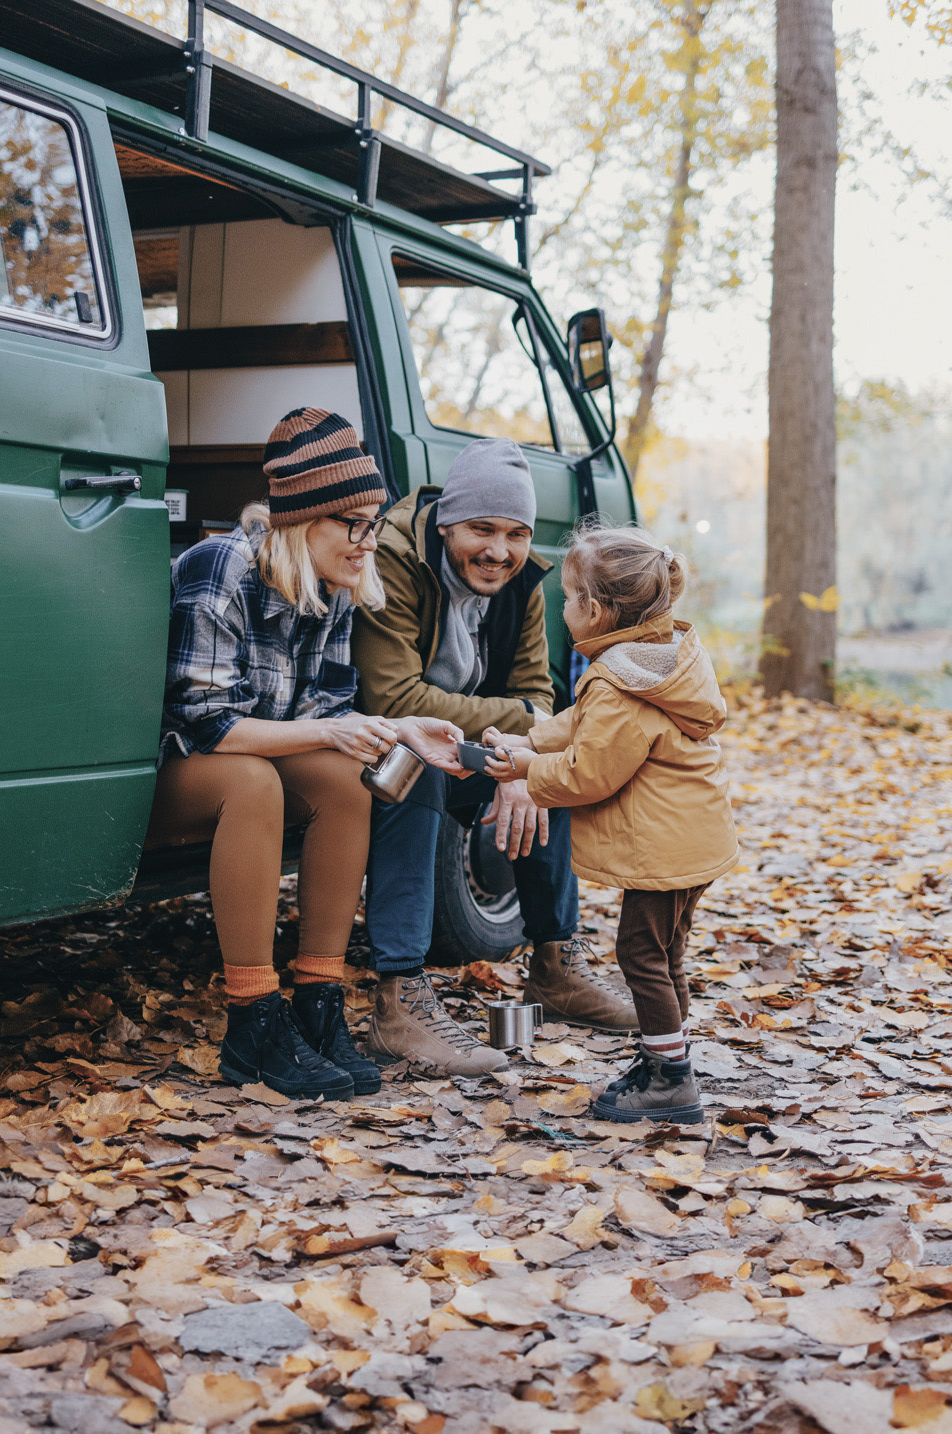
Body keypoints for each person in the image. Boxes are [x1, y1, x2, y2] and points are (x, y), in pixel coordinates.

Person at [151, 407, 465, 1100]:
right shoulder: (222, 568)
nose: (367, 542)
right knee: (256, 783)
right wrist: (331, 732)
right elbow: (206, 726)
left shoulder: (333, 586)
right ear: (302, 520)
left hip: (249, 760)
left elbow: (325, 714)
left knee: (347, 784)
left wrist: (401, 730)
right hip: (171, 775)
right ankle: (252, 1017)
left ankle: (317, 1003)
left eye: (374, 524)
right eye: (353, 524)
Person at [352, 439, 639, 1076]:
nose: (498, 551)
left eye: (515, 533)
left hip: (465, 743)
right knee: (414, 763)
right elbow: (394, 695)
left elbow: (537, 691)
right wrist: (523, 734)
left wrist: (517, 762)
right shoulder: (395, 560)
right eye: (481, 529)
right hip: (372, 741)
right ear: (449, 521)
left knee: (552, 775)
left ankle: (555, 969)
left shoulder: (523, 579)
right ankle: (398, 997)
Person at [483, 525, 737, 1123]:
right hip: (692, 835)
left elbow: (587, 772)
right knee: (665, 951)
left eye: (569, 598)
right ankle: (665, 1054)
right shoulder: (653, 658)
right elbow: (583, 724)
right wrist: (531, 737)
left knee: (640, 954)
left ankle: (670, 1079)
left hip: (665, 846)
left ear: (594, 611)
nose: (564, 609)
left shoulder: (618, 680)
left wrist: (524, 767)